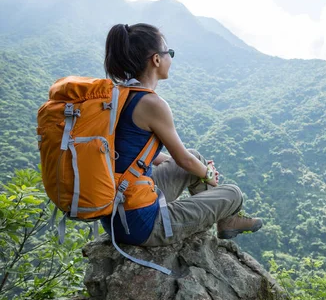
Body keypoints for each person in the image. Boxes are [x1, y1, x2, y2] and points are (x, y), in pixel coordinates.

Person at [100, 23, 263, 246]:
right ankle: (228, 218)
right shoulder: (152, 103)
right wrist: (207, 174)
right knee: (233, 193)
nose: (171, 58)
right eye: (170, 53)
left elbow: (127, 149)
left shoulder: (117, 95)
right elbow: (183, 160)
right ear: (156, 59)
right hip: (140, 225)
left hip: (117, 210)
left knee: (193, 155)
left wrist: (178, 162)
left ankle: (227, 220)